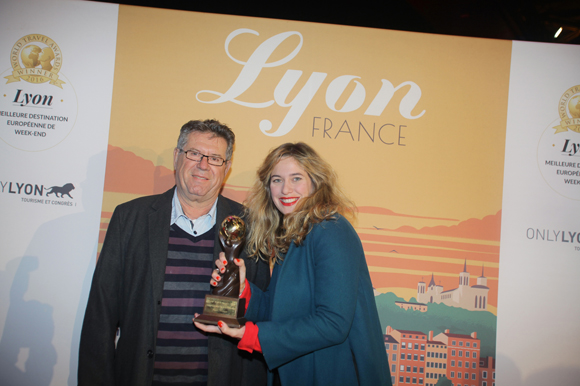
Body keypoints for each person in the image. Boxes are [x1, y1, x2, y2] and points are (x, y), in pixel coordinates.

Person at [79, 120, 270, 386]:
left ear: (226, 168)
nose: (203, 165)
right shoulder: (130, 218)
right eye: (194, 153)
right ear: (176, 156)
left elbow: (264, 317)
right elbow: (101, 316)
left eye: (215, 158)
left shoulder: (250, 226)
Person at [195, 142, 392, 386]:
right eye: (276, 180)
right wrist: (243, 289)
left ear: (315, 182)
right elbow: (280, 311)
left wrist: (254, 336)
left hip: (330, 373)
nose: (285, 189)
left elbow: (333, 323)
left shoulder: (332, 229)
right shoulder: (293, 234)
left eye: (296, 178)